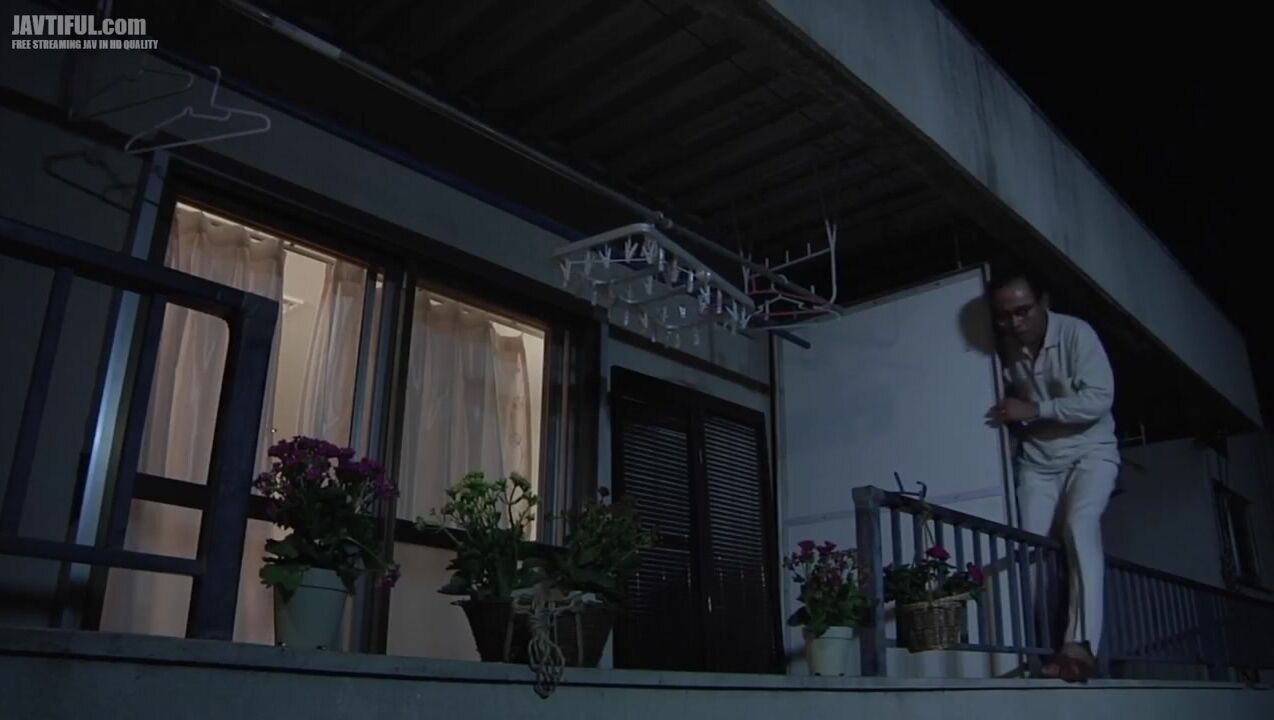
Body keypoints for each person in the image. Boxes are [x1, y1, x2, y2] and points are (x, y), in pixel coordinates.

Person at [985, 268, 1119, 683]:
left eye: (1023, 311)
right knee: (1021, 545)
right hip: (1038, 462)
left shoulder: (1077, 334)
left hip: (1090, 454)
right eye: (1004, 315)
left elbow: (1099, 398)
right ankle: (1016, 650)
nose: (1014, 322)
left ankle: (1079, 646)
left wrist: (1036, 410)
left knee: (1080, 525)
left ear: (1043, 303)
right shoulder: (1000, 348)